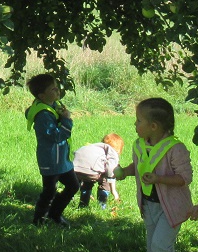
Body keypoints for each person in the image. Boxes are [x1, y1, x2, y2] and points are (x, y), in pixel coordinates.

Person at [114, 98, 192, 252]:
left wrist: (159, 179)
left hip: (172, 209)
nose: (135, 124)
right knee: (152, 248)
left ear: (154, 126)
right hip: (149, 205)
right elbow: (139, 167)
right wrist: (125, 171)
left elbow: (185, 178)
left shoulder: (176, 149)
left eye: (139, 120)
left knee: (161, 246)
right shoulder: (140, 146)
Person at [24, 73, 78, 227]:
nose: (57, 90)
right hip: (50, 160)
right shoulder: (43, 115)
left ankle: (55, 214)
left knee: (73, 186)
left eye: (56, 87)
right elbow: (56, 136)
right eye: (52, 89)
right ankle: (38, 221)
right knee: (49, 192)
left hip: (62, 159)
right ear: (42, 95)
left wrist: (62, 116)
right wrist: (66, 120)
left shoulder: (53, 105)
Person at [73, 133, 124, 210]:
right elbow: (110, 170)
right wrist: (113, 191)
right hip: (92, 172)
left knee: (88, 180)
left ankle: (83, 204)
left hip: (75, 168)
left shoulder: (94, 147)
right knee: (105, 179)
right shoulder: (112, 152)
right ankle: (102, 206)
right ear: (118, 150)